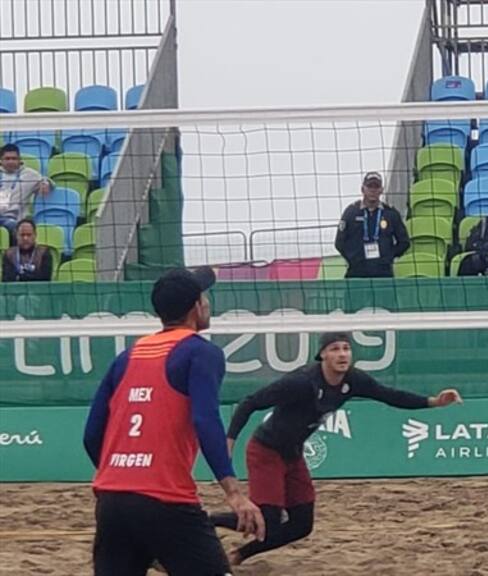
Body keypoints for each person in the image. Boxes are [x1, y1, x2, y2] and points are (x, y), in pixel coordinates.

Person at [210, 332, 463, 567]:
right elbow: (249, 403)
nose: (342, 354)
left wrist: (434, 402)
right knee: (269, 520)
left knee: (302, 525)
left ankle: (238, 555)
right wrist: (228, 443)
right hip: (266, 450)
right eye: (334, 349)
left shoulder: (353, 379)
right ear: (322, 355)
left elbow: (390, 395)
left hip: (293, 453)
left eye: (346, 348)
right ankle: (207, 521)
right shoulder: (301, 383)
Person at [83, 266, 264, 576]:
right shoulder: (201, 353)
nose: (207, 303)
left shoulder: (127, 356)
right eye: (204, 296)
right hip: (165, 501)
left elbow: (91, 434)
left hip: (112, 500)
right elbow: (205, 419)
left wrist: (122, 475)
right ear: (196, 306)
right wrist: (233, 492)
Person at [335, 171, 410, 278]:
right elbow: (339, 242)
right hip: (356, 273)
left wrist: (388, 256)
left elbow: (404, 242)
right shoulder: (351, 212)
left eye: (376, 186)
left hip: (383, 273)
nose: (373, 190)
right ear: (363, 189)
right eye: (370, 186)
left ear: (381, 190)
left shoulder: (390, 213)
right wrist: (353, 258)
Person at [0, 144, 50, 240]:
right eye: (7, 158)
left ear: (19, 159)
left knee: (16, 228)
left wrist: (47, 183)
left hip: (14, 219)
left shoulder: (30, 174)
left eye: (14, 158)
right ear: (1, 160)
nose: (10, 161)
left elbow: (45, 180)